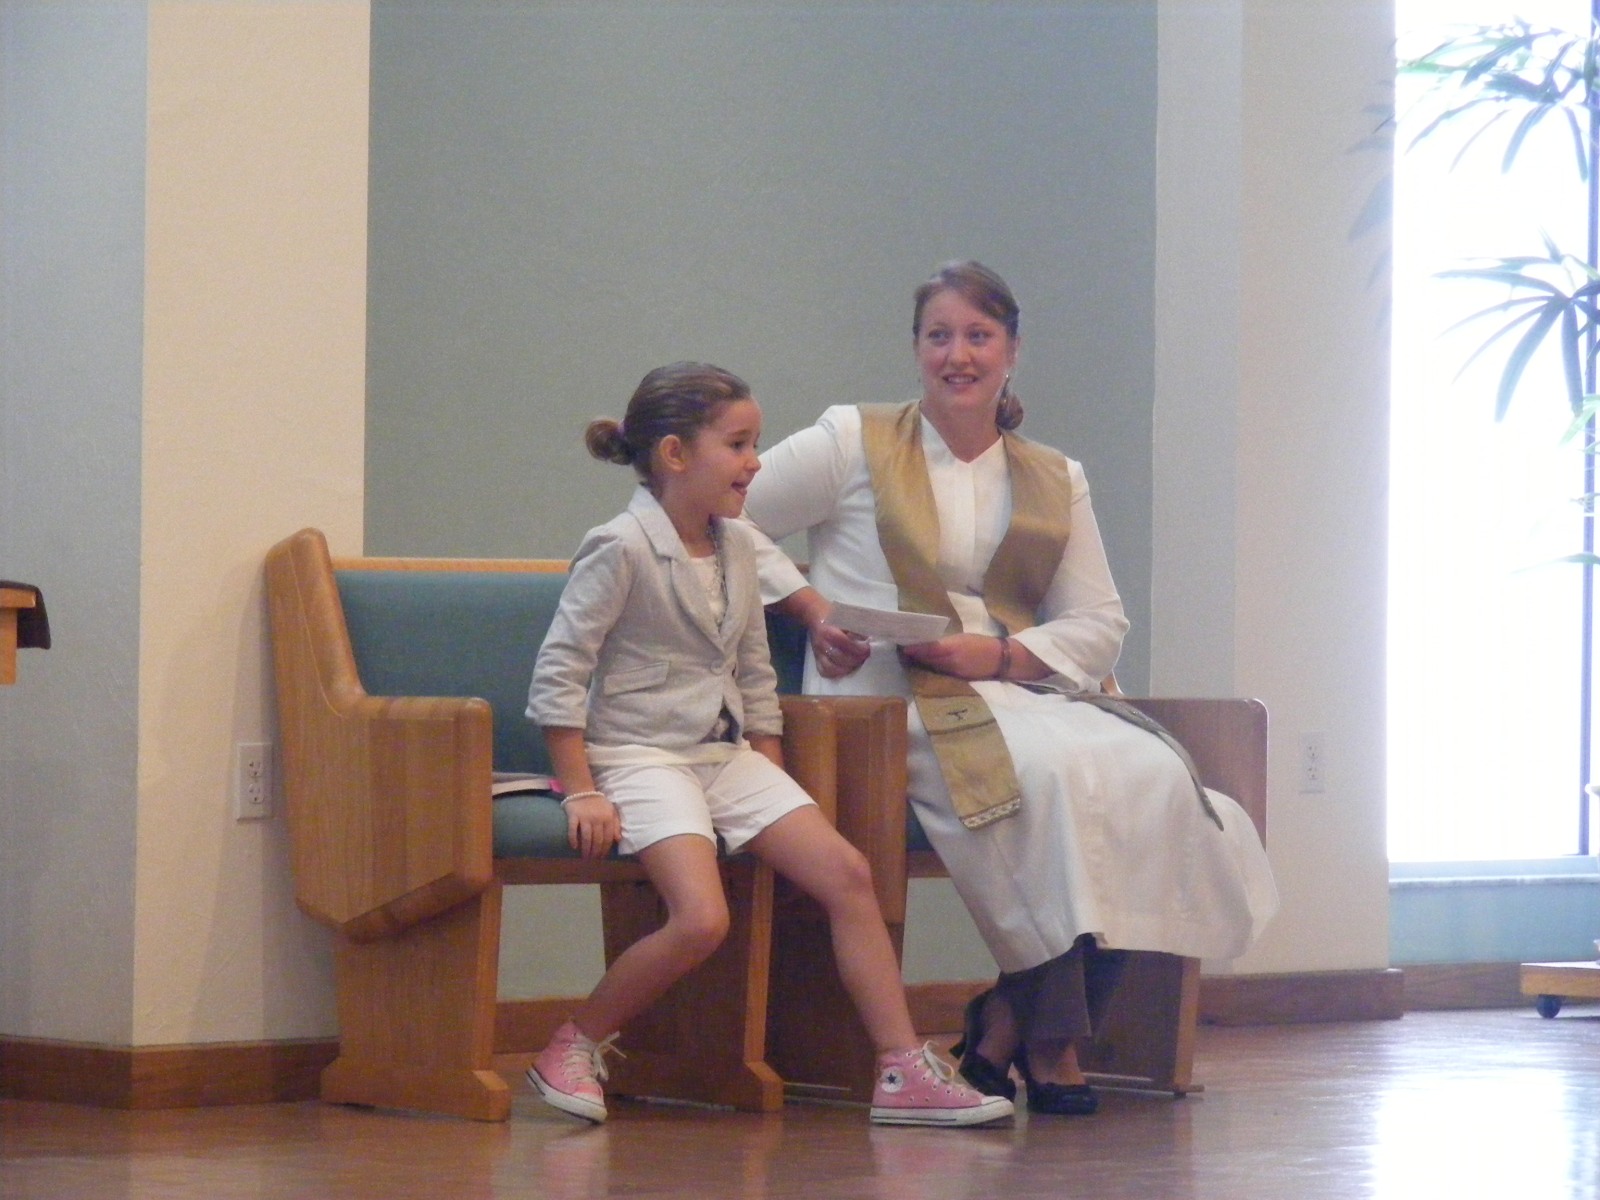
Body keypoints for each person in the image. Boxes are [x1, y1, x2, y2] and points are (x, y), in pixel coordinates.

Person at [741, 263, 1278, 1117]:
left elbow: (1099, 620)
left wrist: (999, 655)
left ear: (1013, 351)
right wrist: (811, 610)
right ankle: (1049, 1039)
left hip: (1006, 686)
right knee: (1050, 781)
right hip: (879, 703)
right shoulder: (853, 439)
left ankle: (1003, 1029)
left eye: (978, 336)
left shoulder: (1053, 476)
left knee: (1155, 780)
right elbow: (724, 513)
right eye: (939, 336)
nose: (957, 355)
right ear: (916, 348)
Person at [525, 361, 1013, 1128]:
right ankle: (574, 1044)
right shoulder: (619, 546)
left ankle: (899, 1068)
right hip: (641, 757)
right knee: (701, 919)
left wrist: (774, 776)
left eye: (755, 444)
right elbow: (561, 673)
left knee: (848, 875)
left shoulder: (739, 547)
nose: (755, 462)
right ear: (675, 455)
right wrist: (581, 788)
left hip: (725, 759)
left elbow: (753, 671)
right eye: (738, 444)